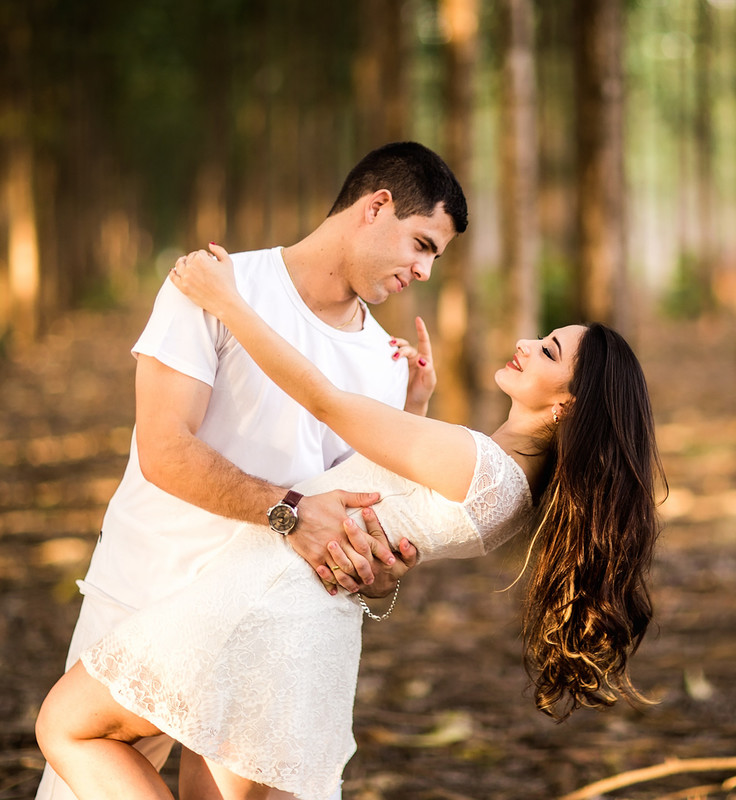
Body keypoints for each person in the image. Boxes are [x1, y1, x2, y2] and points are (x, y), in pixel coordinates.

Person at [36, 244, 663, 800]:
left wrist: (227, 303)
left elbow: (324, 400)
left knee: (67, 726)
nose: (526, 344)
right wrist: (414, 404)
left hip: (263, 604)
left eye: (548, 350)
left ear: (566, 405)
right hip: (298, 623)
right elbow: (402, 509)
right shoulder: (510, 486)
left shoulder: (479, 464)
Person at [36, 142, 468, 800]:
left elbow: (352, 522)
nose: (425, 270)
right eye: (422, 244)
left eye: (435, 256)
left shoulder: (387, 364)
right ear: (376, 206)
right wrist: (289, 513)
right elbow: (164, 448)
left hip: (262, 629)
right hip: (147, 589)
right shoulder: (213, 285)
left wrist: (379, 575)